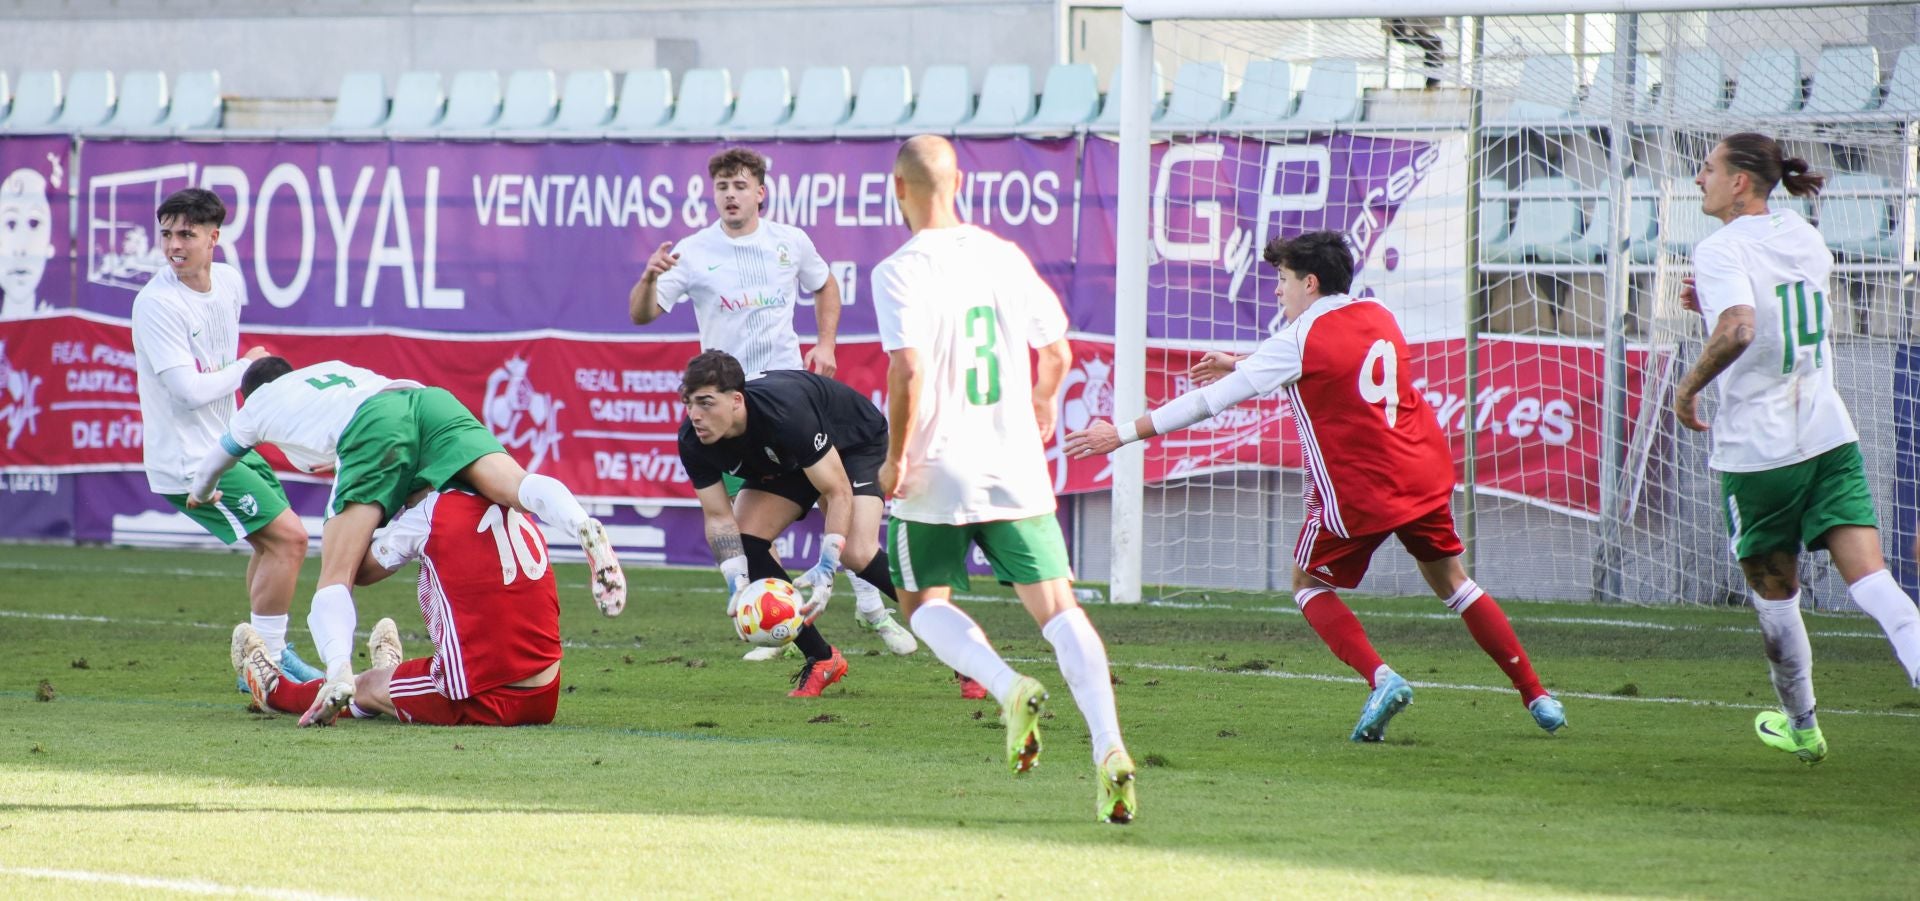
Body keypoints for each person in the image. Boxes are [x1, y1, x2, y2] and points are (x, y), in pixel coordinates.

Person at [1065, 229, 1565, 744]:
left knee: (1307, 585)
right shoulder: (1379, 315)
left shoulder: (1297, 339)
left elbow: (1206, 404)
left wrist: (1119, 434)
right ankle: (1537, 695)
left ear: (1310, 281)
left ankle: (1382, 678)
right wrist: (1240, 363)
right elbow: (1333, 362)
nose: (1277, 291)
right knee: (1455, 583)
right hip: (1421, 472)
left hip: (1359, 490)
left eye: (1282, 280)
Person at [875, 135, 1136, 825]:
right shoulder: (1003, 254)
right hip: (1015, 460)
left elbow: (906, 371)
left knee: (920, 601)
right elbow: (1055, 349)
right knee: (1060, 611)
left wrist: (897, 457)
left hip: (938, 465)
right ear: (958, 183)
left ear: (898, 189)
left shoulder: (899, 270)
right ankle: (1109, 746)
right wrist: (1045, 400)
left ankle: (1006, 684)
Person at [189, 356, 625, 726]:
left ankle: (334, 671)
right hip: (427, 399)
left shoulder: (260, 403)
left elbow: (216, 458)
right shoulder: (334, 370)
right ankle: (581, 521)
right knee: (518, 483)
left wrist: (204, 492)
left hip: (375, 424)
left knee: (335, 576)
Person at [1672, 132, 1920, 765]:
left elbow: (1740, 326)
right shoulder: (1805, 236)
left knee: (1776, 598)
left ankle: (1804, 727)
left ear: (1739, 183)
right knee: (1872, 579)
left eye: (1707, 169)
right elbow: (1777, 306)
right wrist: (1712, 301)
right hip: (1827, 433)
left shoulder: (1719, 247)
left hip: (1760, 452)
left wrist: (1687, 389)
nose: (1699, 180)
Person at [629, 146, 911, 660]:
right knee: (748, 533)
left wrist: (826, 344)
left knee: (840, 511)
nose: (730, 195)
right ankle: (788, 630)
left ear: (761, 192)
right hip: (732, 410)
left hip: (788, 398)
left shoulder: (789, 242)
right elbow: (643, 314)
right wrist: (649, 278)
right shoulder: (692, 251)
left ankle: (874, 610)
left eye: (740, 186)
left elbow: (825, 285)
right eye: (722, 187)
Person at [128, 187, 321, 689]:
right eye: (167, 233)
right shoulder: (156, 304)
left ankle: (261, 656)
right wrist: (247, 367)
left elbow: (219, 370)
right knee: (291, 540)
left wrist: (246, 380)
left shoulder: (230, 282)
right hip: (191, 461)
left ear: (214, 237)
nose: (174, 244)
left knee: (271, 543)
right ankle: (271, 660)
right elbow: (188, 391)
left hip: (230, 442)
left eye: (186, 234)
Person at [676, 351, 918, 697]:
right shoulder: (692, 439)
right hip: (790, 459)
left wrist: (827, 565)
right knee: (747, 543)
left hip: (853, 442)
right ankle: (822, 659)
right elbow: (718, 517)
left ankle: (960, 651)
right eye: (688, 403)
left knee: (858, 553)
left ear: (736, 400)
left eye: (705, 403)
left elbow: (837, 491)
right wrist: (735, 579)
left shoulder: (785, 413)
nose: (695, 415)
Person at [231, 489, 564, 727]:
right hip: (546, 690)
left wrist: (360, 520)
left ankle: (276, 692)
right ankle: (393, 680)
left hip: (495, 696)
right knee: (395, 679)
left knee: (364, 686)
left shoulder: (428, 511)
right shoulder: (508, 497)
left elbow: (356, 572)